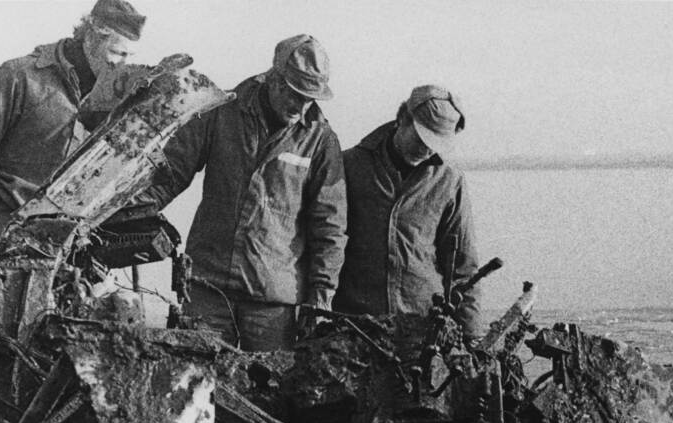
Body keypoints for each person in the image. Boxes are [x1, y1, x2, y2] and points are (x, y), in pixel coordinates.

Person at [145, 35, 347, 351]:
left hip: (272, 305)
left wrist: (320, 297)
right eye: (294, 94)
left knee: (268, 382)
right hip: (208, 289)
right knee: (191, 375)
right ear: (273, 78)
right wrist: (128, 213)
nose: (300, 107)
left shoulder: (320, 141)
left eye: (309, 99)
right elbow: (169, 175)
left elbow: (330, 227)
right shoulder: (222, 112)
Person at [0, 0, 145, 262]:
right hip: (13, 227)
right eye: (117, 53)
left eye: (129, 57)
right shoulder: (20, 76)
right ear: (91, 37)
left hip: (78, 235)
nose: (122, 65)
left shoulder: (115, 94)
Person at [333, 85, 481, 341]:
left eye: (435, 144)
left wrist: (472, 336)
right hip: (355, 324)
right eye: (421, 139)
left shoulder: (449, 181)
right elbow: (323, 242)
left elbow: (463, 267)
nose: (426, 150)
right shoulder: (348, 166)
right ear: (402, 118)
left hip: (422, 326)